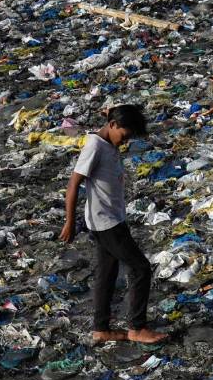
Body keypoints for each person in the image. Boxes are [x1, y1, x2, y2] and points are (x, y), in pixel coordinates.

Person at [58, 105, 167, 344]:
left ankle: (101, 329)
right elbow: (73, 184)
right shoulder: (94, 146)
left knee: (107, 273)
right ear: (113, 126)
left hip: (112, 218)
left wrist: (110, 114)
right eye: (124, 136)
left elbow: (112, 118)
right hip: (106, 223)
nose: (125, 142)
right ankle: (137, 327)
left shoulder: (107, 140)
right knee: (140, 269)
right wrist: (69, 222)